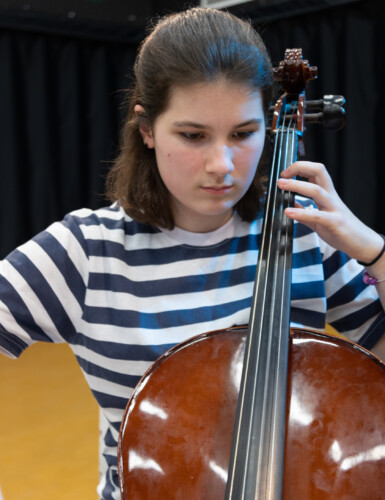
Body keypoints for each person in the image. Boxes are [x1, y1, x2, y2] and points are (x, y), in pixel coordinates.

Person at [1, 6, 384, 500]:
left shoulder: (302, 236)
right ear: (146, 129)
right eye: (193, 135)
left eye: (243, 134)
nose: (222, 165)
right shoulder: (86, 252)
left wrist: (373, 249)